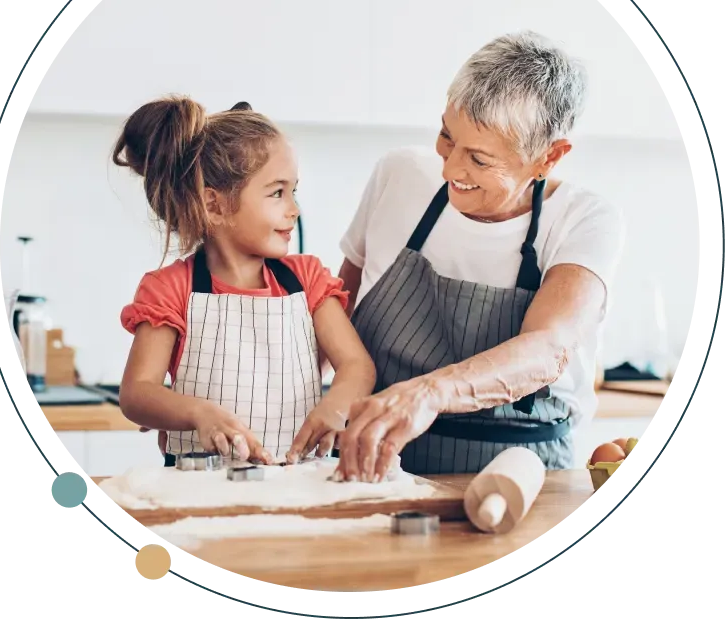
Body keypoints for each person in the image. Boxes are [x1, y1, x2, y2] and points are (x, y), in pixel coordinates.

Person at [333, 31, 626, 483]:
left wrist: (428, 394)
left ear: (549, 157)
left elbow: (548, 347)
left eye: (480, 159)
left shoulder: (586, 220)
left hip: (525, 477)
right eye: (447, 137)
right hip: (377, 466)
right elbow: (339, 303)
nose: (450, 169)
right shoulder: (399, 175)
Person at [113, 97, 376, 467]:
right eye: (277, 192)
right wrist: (198, 413)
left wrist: (336, 406)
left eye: (293, 190)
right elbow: (137, 393)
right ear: (214, 205)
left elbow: (357, 366)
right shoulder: (171, 288)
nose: (294, 209)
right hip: (198, 484)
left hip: (295, 479)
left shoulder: (307, 279)